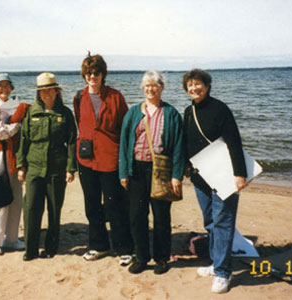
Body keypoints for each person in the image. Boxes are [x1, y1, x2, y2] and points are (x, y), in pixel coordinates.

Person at [182, 69, 247, 293]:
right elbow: (187, 142)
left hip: (224, 175)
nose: (194, 88)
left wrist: (240, 174)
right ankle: (216, 263)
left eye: (198, 84)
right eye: (190, 85)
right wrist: (186, 167)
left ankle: (223, 272)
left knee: (223, 222)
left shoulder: (220, 109)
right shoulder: (188, 111)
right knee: (210, 221)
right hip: (201, 177)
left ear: (207, 86)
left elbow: (234, 142)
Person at [118, 71, 184, 274]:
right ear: (142, 88)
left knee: (161, 216)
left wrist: (176, 175)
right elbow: (124, 143)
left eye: (154, 85)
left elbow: (179, 146)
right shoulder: (133, 113)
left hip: (161, 171)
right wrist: (123, 172)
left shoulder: (171, 113)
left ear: (162, 87)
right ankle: (141, 257)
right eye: (146, 85)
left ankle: (162, 258)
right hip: (137, 170)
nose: (150, 89)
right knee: (137, 215)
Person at [73, 53, 133, 266]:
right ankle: (98, 245)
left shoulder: (115, 97)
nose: (92, 77)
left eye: (96, 73)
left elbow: (126, 128)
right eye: (89, 73)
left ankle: (124, 248)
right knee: (91, 205)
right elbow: (80, 124)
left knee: (114, 204)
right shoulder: (79, 97)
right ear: (84, 75)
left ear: (103, 74)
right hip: (86, 159)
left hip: (110, 158)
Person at [16, 72, 77, 261]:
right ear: (38, 93)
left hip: (57, 168)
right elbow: (23, 140)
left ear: (57, 91)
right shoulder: (31, 113)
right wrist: (20, 165)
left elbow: (72, 141)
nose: (47, 94)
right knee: (31, 207)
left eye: (51, 90)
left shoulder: (65, 113)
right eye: (43, 91)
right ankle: (31, 249)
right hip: (34, 167)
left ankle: (51, 247)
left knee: (54, 208)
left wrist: (70, 168)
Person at [0, 73, 30, 256]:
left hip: (11, 154)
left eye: (7, 86)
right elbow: (0, 132)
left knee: (15, 197)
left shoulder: (11, 105)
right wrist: (18, 123)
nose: (4, 89)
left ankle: (11, 238)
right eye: (0, 86)